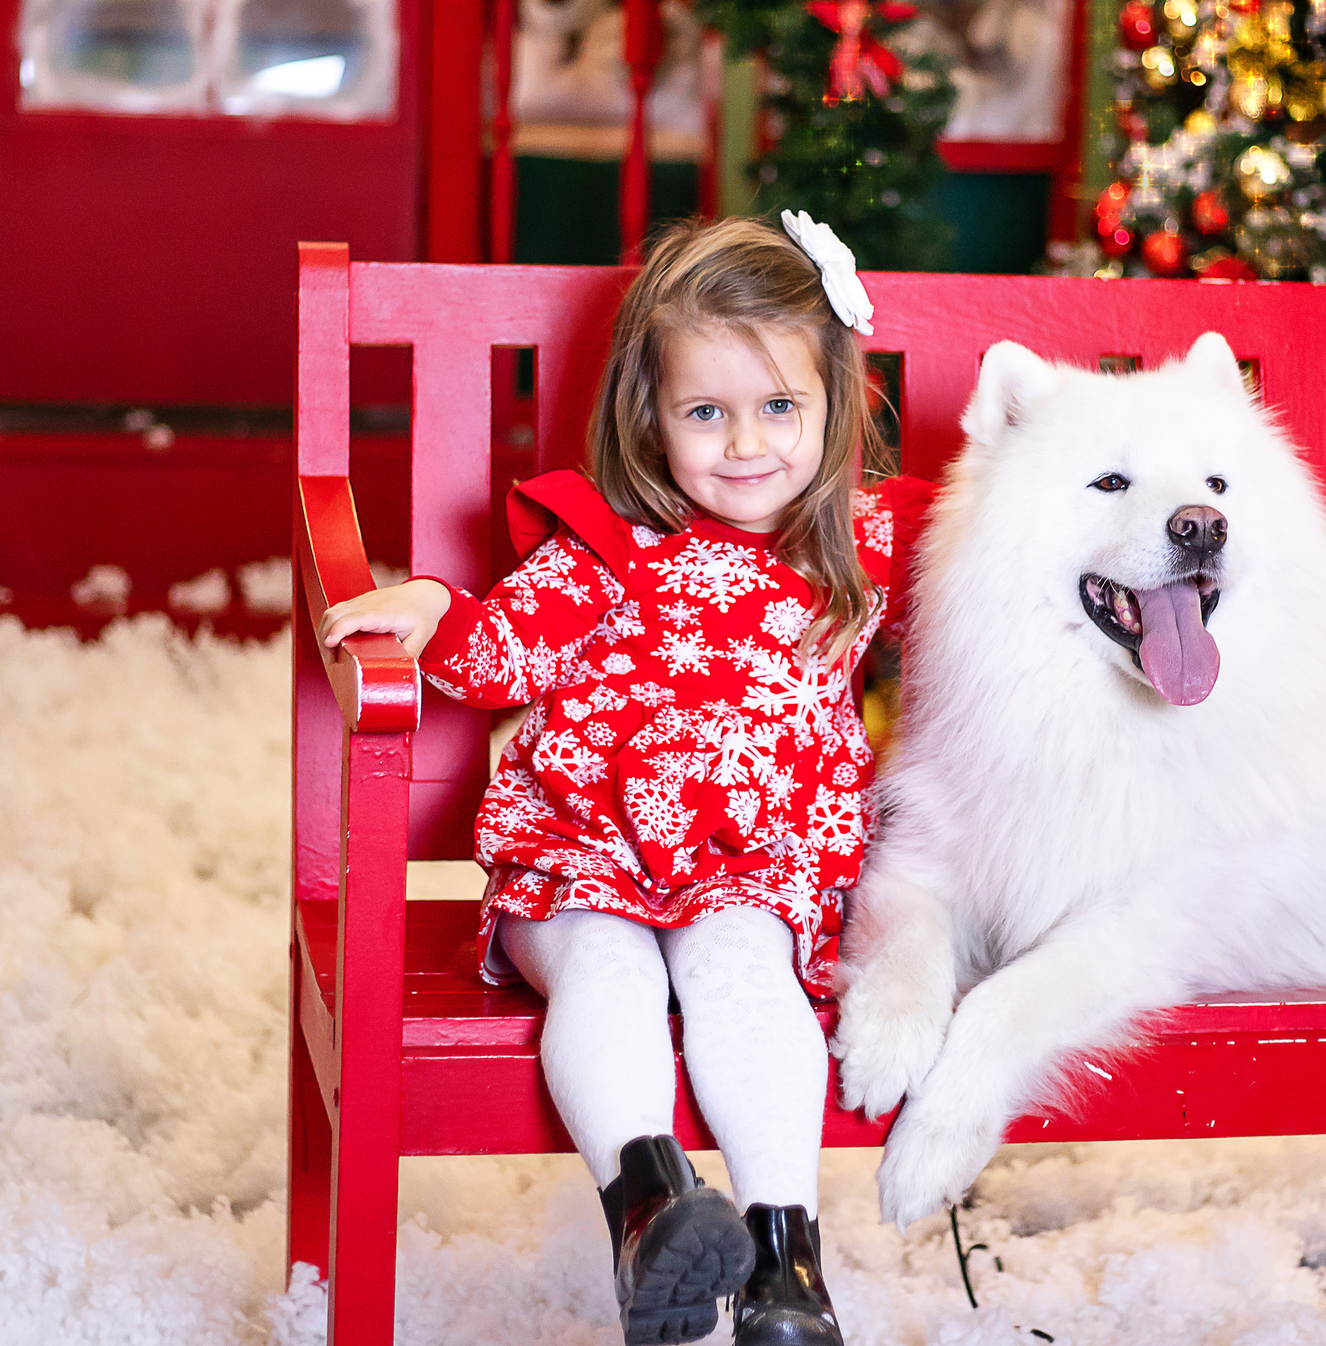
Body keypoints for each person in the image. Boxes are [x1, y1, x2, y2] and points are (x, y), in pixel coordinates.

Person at [320, 213, 934, 1346]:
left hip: (752, 867)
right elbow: (504, 653)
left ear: (832, 404)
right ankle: (648, 1208)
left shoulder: (857, 545)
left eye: (780, 408)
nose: (747, 444)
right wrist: (433, 609)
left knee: (745, 979)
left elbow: (1019, 574)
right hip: (579, 856)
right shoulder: (608, 541)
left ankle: (785, 1268)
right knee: (602, 976)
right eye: (707, 411)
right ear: (651, 417)